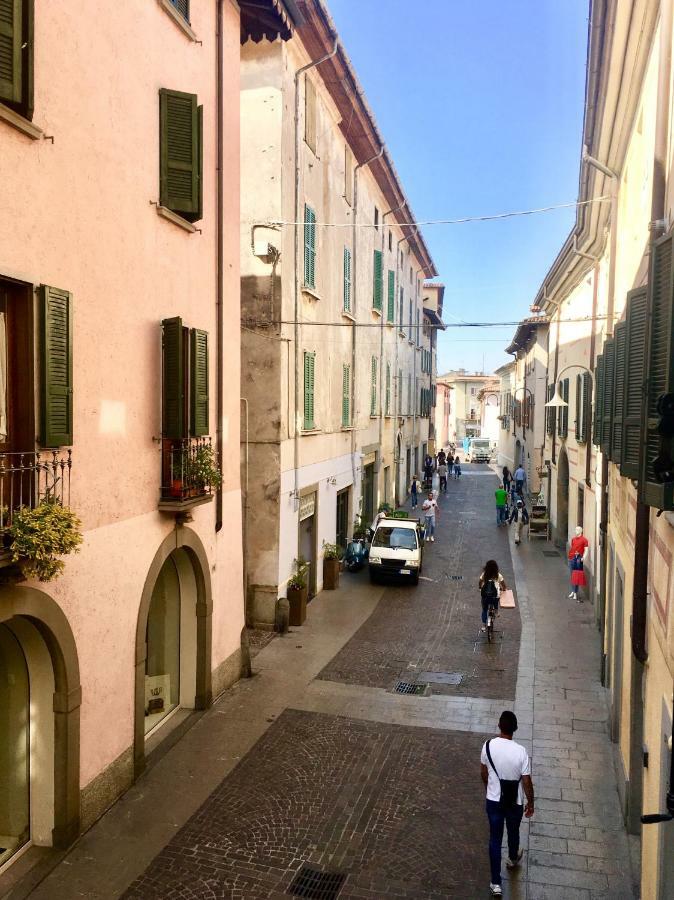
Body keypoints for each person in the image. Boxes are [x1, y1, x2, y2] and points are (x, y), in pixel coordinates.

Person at [480, 710, 535, 896]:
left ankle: (496, 883)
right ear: (515, 729)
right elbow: (526, 781)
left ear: (499, 726)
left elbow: (483, 772)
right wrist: (531, 803)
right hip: (514, 801)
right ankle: (512, 858)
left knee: (495, 839)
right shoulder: (521, 752)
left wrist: (490, 787)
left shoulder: (488, 746)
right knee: (513, 831)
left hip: (494, 800)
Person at [479, 560, 506, 632]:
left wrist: (480, 587)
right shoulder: (498, 575)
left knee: (484, 610)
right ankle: (496, 611)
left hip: (485, 597)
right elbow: (503, 585)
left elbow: (480, 582)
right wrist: (504, 589)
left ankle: (484, 625)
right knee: (496, 598)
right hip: (494, 597)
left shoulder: (484, 574)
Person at [568, 525, 589, 601]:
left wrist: (583, 558)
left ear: (581, 531)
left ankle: (575, 592)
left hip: (578, 559)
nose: (575, 531)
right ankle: (573, 591)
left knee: (576, 576)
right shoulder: (573, 539)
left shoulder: (584, 540)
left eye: (577, 530)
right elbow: (572, 548)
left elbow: (586, 550)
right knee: (572, 576)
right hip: (571, 558)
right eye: (575, 529)